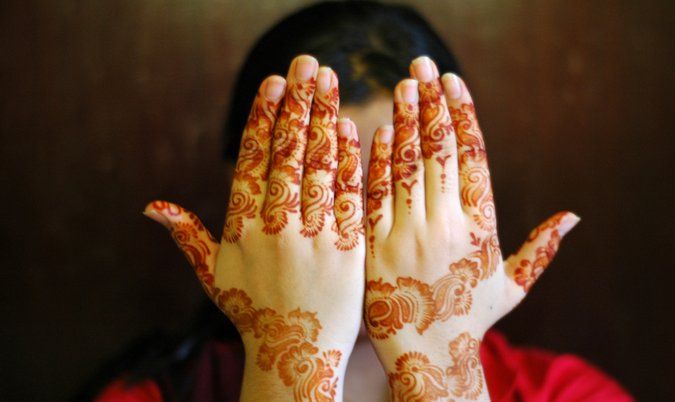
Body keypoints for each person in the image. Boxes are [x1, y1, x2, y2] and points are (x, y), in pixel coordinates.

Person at [86, 2, 633, 401]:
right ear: (247, 202)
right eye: (318, 191)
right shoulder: (149, 396)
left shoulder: (566, 393)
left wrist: (443, 374)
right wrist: (289, 367)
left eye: (400, 193)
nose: (357, 238)